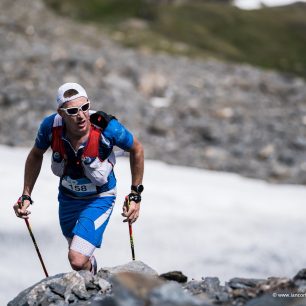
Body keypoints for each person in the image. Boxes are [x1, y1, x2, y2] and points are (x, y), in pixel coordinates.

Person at [13, 82, 144, 275]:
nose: (81, 115)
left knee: (76, 258)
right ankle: (91, 279)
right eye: (73, 111)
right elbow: (35, 155)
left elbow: (137, 149)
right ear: (61, 113)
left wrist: (135, 195)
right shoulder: (50, 127)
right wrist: (26, 195)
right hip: (68, 198)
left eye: (85, 107)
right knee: (78, 257)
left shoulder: (107, 127)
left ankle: (91, 276)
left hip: (100, 198)